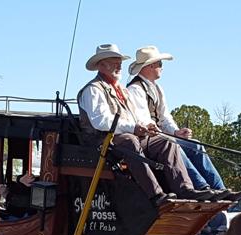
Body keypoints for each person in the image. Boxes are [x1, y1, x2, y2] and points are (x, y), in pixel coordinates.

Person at [77, 44, 217, 205]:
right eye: (114, 62)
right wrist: (133, 128)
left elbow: (134, 117)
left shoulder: (122, 90)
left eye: (119, 62)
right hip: (102, 142)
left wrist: (145, 126)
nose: (119, 65)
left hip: (125, 138)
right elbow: (101, 121)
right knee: (130, 140)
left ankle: (185, 189)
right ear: (101, 65)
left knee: (166, 143)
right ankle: (156, 195)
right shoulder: (93, 89)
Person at [126, 46, 241, 202]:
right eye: (160, 63)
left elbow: (164, 117)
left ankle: (219, 188)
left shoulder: (157, 89)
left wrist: (175, 132)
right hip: (150, 141)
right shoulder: (135, 89)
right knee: (176, 147)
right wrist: (167, 136)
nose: (162, 67)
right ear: (150, 66)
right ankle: (202, 187)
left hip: (162, 136)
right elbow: (143, 119)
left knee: (195, 145)